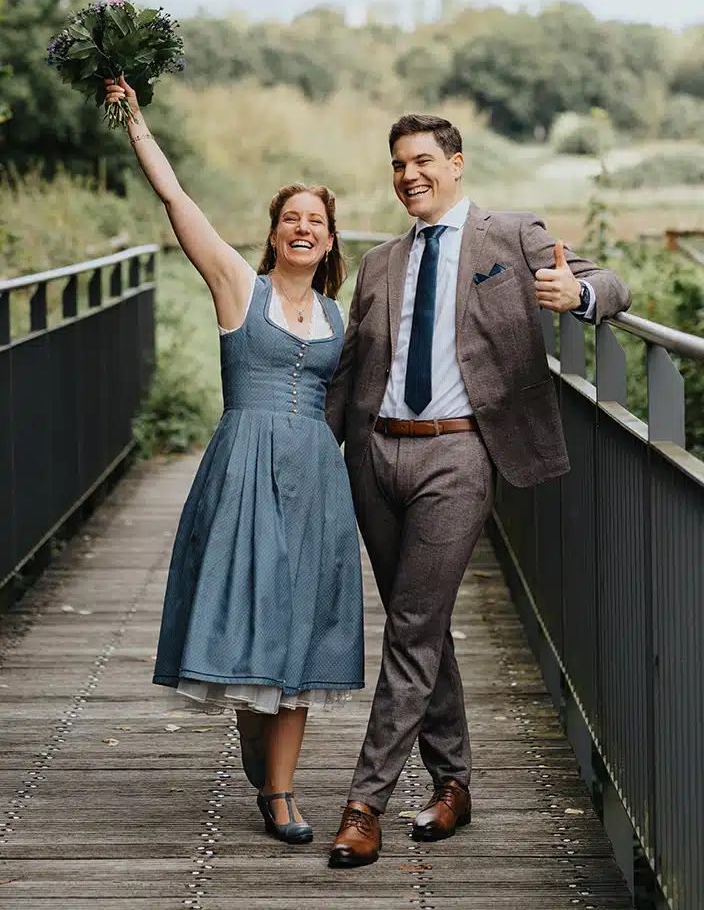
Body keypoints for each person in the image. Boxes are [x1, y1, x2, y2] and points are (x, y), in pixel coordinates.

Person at [325, 113, 632, 867]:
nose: (408, 176)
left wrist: (577, 293)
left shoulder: (511, 237)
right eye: (397, 165)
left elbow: (610, 281)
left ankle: (366, 802)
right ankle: (454, 785)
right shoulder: (378, 262)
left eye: (423, 161)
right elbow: (348, 372)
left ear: (457, 164)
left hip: (459, 456)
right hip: (375, 458)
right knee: (417, 624)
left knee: (412, 622)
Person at [103, 75, 364, 846]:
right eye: (291, 218)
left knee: (304, 625)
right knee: (252, 605)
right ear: (275, 231)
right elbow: (179, 204)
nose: (303, 229)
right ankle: (255, 724)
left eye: (315, 220)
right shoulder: (235, 288)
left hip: (316, 474)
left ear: (329, 237)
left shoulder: (341, 316)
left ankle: (281, 794)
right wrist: (138, 126)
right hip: (245, 464)